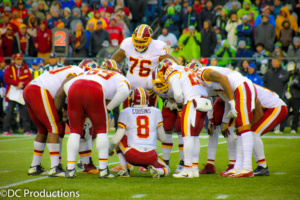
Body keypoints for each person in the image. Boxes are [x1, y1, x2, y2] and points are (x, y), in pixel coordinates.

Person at [55, 60, 130, 178]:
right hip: (94, 89)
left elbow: (66, 85)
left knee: (75, 131)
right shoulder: (119, 77)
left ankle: (70, 169)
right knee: (101, 130)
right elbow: (124, 91)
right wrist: (109, 108)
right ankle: (103, 169)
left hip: (74, 87)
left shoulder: (91, 72)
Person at [152, 59, 211, 178]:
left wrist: (179, 106)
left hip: (192, 101)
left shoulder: (171, 71)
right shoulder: (186, 69)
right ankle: (194, 168)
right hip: (203, 100)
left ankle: (187, 170)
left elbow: (178, 94)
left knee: (187, 136)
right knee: (194, 137)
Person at [196, 66, 257, 178]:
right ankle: (237, 167)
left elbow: (223, 79)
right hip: (235, 92)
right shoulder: (200, 83)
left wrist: (232, 103)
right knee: (239, 129)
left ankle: (247, 167)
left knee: (243, 127)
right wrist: (213, 119)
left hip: (240, 87)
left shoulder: (201, 73)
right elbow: (217, 98)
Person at [24, 65, 84, 177]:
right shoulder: (79, 72)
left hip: (30, 89)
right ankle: (55, 167)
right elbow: (60, 94)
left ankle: (34, 166)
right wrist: (59, 114)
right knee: (54, 127)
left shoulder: (72, 69)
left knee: (43, 129)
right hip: (39, 90)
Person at [111, 24, 179, 108]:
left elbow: (172, 63)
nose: (139, 43)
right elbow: (113, 61)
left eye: (142, 41)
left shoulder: (157, 47)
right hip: (130, 90)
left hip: (149, 92)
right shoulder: (128, 43)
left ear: (150, 39)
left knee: (149, 117)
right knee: (127, 117)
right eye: (137, 40)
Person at [108, 87, 169, 178]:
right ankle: (157, 170)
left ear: (132, 99)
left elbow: (115, 140)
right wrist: (151, 131)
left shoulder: (126, 112)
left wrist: (109, 150)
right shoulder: (155, 111)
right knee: (166, 169)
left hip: (133, 155)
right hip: (151, 156)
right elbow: (163, 138)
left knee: (120, 136)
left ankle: (124, 169)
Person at [251, 84, 288, 175]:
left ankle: (263, 167)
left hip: (277, 107)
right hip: (271, 108)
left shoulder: (245, 88)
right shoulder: (245, 85)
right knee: (249, 134)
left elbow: (258, 113)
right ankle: (260, 166)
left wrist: (246, 127)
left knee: (253, 133)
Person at [3, 54, 32, 136]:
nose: (19, 61)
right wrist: (17, 83)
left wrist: (22, 84)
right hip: (13, 92)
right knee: (10, 111)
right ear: (15, 60)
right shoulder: (10, 68)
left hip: (21, 92)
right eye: (17, 59)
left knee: (24, 111)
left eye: (20, 59)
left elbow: (29, 78)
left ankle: (26, 129)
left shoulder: (25, 68)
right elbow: (6, 78)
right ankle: (5, 129)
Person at [279, 62, 300, 134]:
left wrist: (296, 83)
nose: (291, 72)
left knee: (296, 113)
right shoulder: (288, 75)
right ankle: (281, 128)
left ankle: (294, 128)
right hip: (287, 96)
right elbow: (282, 80)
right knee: (285, 112)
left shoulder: (298, 76)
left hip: (296, 96)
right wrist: (289, 75)